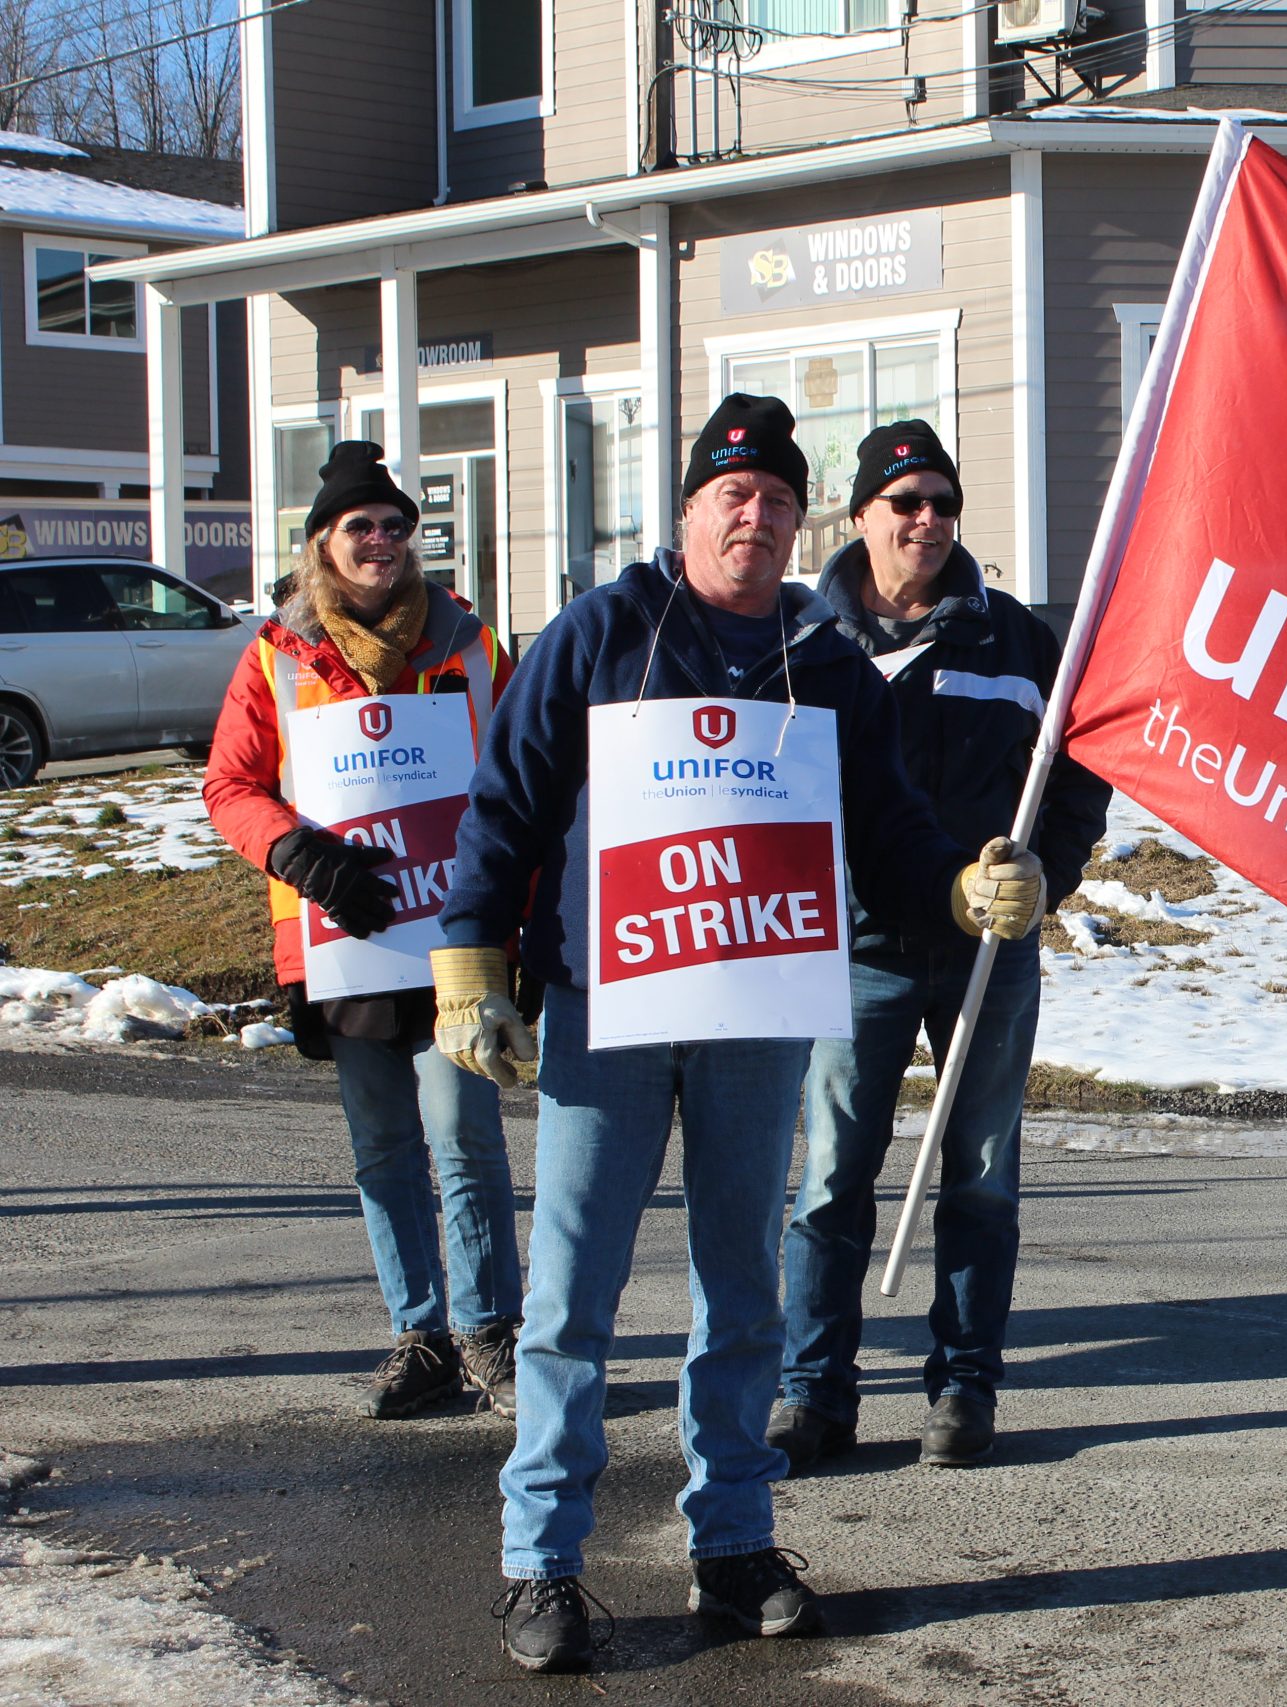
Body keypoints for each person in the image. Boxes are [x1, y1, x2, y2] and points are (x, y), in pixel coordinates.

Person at [433, 394, 1047, 1675]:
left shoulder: (820, 664)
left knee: (740, 1290)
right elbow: (508, 801)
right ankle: (541, 1561)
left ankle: (733, 1538)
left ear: (798, 518)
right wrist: (469, 960)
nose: (754, 517)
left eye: (775, 497)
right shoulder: (605, 631)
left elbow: (887, 826)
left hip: (759, 1011)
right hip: (612, 1004)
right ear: (689, 508)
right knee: (571, 1297)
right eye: (732, 494)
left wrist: (956, 883)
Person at [767, 421, 1111, 1476]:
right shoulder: (798, 644)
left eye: (942, 504)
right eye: (904, 501)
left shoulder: (1012, 641)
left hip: (986, 957)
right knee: (830, 1182)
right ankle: (812, 1391)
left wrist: (1048, 873)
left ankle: (965, 1381)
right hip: (853, 949)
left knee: (981, 1176)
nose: (926, 520)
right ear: (860, 515)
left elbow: (1078, 772)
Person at [202, 441, 522, 1421]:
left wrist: (522, 925)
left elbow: (523, 784)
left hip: (452, 938)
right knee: (381, 1147)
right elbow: (230, 787)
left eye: (395, 526)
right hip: (344, 942)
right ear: (322, 546)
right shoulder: (274, 655)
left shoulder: (472, 647)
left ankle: (488, 1333)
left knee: (461, 1132)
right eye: (360, 527)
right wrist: (299, 856)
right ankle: (418, 1334)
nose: (381, 541)